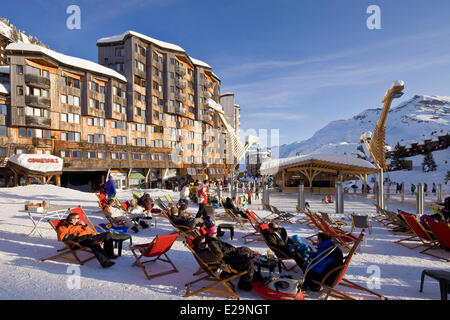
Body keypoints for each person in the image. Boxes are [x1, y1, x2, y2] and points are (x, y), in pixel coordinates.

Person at [204, 227, 257, 291]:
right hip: (228, 260)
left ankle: (253, 275)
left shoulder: (213, 239)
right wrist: (233, 250)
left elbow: (224, 246)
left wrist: (233, 249)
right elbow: (222, 251)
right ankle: (244, 285)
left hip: (229, 255)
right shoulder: (212, 242)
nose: (217, 233)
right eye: (215, 232)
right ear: (211, 234)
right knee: (248, 261)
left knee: (246, 252)